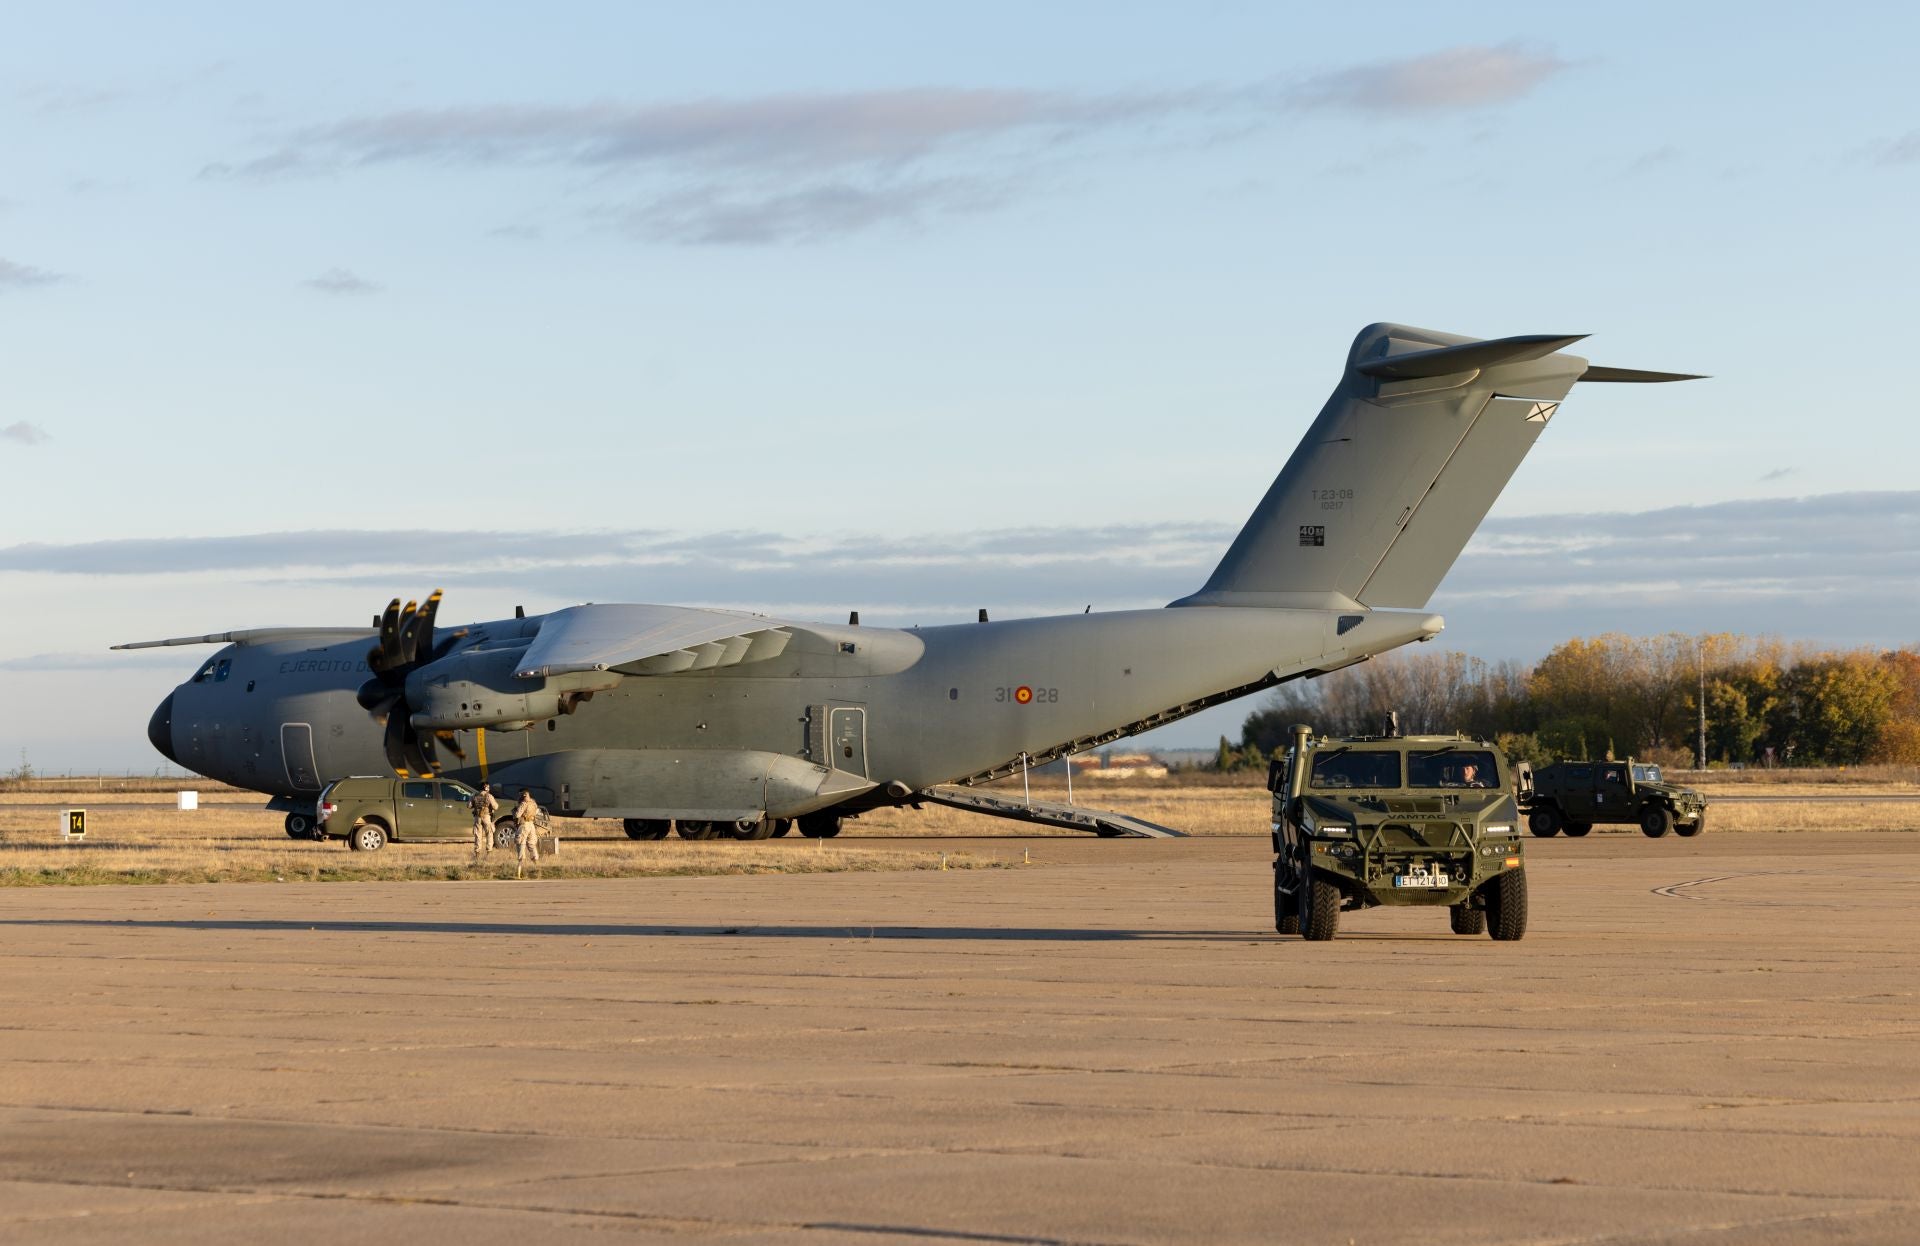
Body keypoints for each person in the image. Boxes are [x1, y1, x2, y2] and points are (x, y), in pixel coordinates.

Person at [514, 788, 542, 873]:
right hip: (531, 825)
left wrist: (515, 810)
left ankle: (519, 871)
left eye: (521, 794)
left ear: (524, 794)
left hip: (524, 825)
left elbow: (517, 815)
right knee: (532, 845)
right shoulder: (533, 803)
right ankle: (537, 867)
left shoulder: (523, 803)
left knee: (521, 844)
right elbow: (537, 812)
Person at [470, 782, 498, 856]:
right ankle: (489, 852)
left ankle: (477, 852)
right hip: (486, 817)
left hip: (477, 817)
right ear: (486, 788)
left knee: (478, 835)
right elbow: (495, 807)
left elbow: (469, 806)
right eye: (488, 787)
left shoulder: (474, 796)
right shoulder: (489, 796)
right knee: (489, 834)